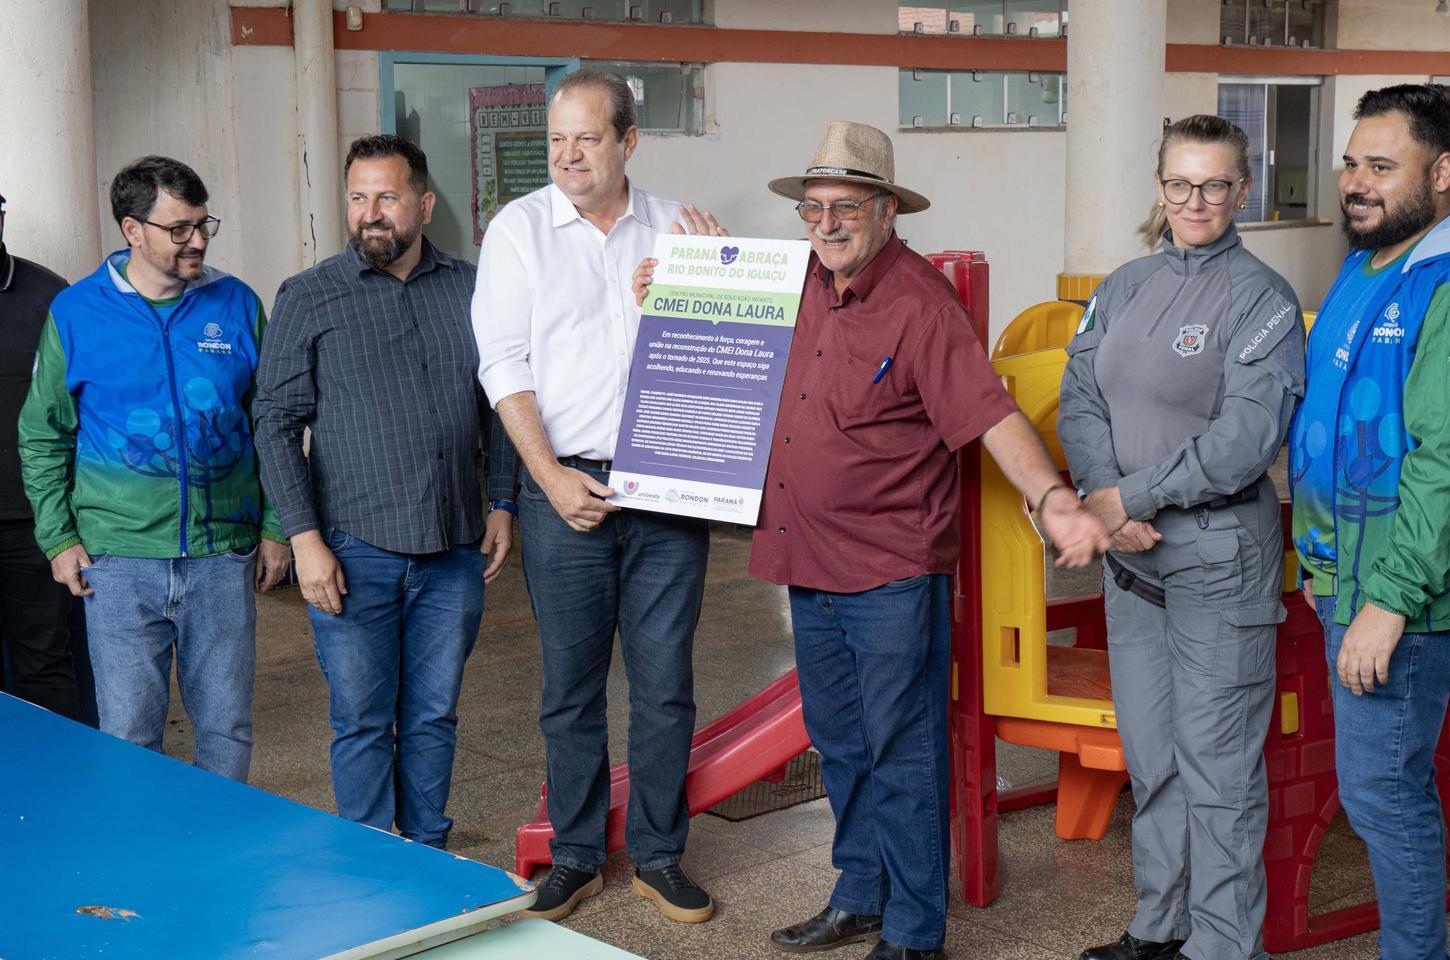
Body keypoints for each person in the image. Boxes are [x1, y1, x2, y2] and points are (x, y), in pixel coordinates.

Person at [634, 120, 1109, 960]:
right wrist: (668, 289)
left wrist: (1053, 499)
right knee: (841, 742)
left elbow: (991, 415)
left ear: (887, 210)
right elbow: (725, 330)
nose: (826, 224)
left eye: (845, 208)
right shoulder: (800, 280)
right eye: (813, 208)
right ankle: (859, 893)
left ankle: (916, 932)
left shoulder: (922, 307)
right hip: (807, 560)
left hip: (889, 572)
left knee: (902, 751)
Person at [473, 70, 726, 923]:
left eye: (586, 138)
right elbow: (502, 363)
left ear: (628, 141)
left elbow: (722, 354)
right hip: (567, 486)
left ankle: (658, 854)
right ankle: (577, 855)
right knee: (571, 688)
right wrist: (547, 477)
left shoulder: (678, 227)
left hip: (669, 486)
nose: (568, 155)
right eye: (557, 139)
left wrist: (712, 282)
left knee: (665, 685)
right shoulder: (519, 231)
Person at [1058, 115, 1305, 960]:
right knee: (1153, 755)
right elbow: (1080, 396)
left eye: (1214, 184)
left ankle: (1223, 945)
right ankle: (1160, 926)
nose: (1194, 201)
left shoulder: (1262, 298)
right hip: (1131, 562)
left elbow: (1245, 441)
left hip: (1216, 559)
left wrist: (1128, 498)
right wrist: (1105, 499)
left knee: (1219, 766)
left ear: (1243, 190)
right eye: (1179, 184)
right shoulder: (1123, 285)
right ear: (1158, 188)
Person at [253, 135, 517, 850]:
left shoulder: (472, 289)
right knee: (363, 719)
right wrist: (304, 539)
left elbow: (502, 401)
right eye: (357, 198)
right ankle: (370, 860)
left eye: (388, 197)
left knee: (433, 715)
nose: (370, 213)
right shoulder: (309, 296)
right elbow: (274, 424)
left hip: (454, 546)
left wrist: (501, 501)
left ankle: (427, 850)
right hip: (351, 547)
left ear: (424, 206)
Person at [17, 157, 292, 780]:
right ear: (132, 230)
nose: (196, 241)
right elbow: (43, 434)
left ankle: (218, 836)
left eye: (203, 224)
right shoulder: (76, 312)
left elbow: (272, 423)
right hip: (118, 560)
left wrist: (277, 527)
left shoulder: (236, 303)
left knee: (226, 725)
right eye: (178, 229)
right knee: (129, 734)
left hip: (222, 554)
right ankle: (142, 842)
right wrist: (58, 538)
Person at [1289, 84, 1450, 960]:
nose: (1356, 182)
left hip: (1401, 596)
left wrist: (1389, 601)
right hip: (1346, 581)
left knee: (1385, 795)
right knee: (1378, 792)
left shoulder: (1441, 282)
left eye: (1382, 166)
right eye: (1351, 162)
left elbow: (1441, 461)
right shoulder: (1363, 267)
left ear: (1443, 172)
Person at [0, 189, 81, 721]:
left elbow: (78, 408)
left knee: (45, 664)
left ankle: (57, 771)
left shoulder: (50, 296)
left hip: (32, 523)